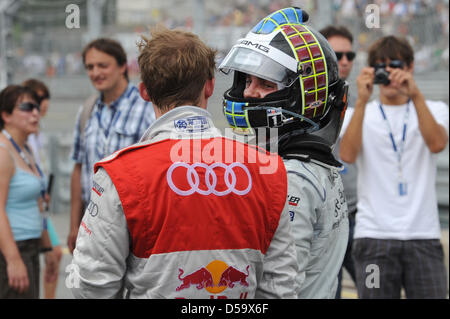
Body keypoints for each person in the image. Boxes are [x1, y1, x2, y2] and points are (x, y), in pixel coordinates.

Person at [70, 26, 299, 299]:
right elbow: (280, 286)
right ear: (210, 86)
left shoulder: (120, 174)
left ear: (144, 91)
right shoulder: (267, 169)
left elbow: (92, 285)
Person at [219, 7, 350, 298]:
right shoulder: (309, 162)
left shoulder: (292, 177)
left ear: (305, 94)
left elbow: (280, 287)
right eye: (247, 81)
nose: (250, 93)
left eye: (265, 84)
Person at [339, 35, 448, 299]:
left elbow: (436, 144)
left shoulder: (434, 108)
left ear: (410, 67)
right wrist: (363, 100)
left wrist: (415, 94)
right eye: (380, 66)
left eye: (395, 65)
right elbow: (347, 155)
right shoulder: (359, 113)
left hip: (423, 235)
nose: (387, 73)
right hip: (374, 236)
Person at [67, 38, 156, 254]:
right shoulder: (87, 110)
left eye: (103, 65)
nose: (96, 73)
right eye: (90, 67)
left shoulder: (146, 108)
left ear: (123, 66)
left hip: (135, 225)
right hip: (94, 224)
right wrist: (73, 226)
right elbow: (78, 169)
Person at [0, 85, 57, 299]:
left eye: (36, 106)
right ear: (5, 115)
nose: (35, 112)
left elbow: (37, 204)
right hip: (12, 248)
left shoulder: (25, 149)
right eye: (26, 107)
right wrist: (13, 259)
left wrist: (47, 246)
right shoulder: (3, 153)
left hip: (31, 246)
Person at [319, 25, 357, 299]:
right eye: (337, 54)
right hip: (321, 215)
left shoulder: (359, 98)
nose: (344, 61)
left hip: (355, 213)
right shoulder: (304, 99)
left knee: (373, 287)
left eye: (349, 55)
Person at [22, 78, 63, 299]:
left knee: (53, 255)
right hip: (30, 206)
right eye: (37, 99)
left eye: (45, 98)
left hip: (40, 205)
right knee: (52, 253)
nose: (43, 104)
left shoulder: (38, 133)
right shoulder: (21, 135)